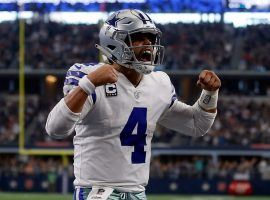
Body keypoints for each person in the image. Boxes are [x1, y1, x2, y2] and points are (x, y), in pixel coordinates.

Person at [45, 9, 221, 200]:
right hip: (96, 192)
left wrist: (210, 93)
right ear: (114, 42)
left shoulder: (159, 83)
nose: (148, 44)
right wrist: (88, 84)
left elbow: (196, 124)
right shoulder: (87, 75)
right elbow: (55, 129)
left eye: (151, 38)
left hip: (138, 193)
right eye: (138, 37)